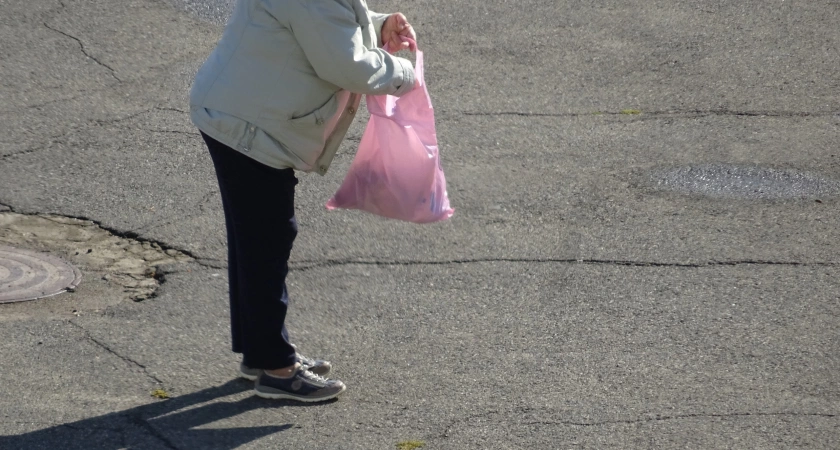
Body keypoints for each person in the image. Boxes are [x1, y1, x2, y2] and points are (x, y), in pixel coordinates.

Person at [189, 0, 418, 403]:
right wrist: (404, 73)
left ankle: (260, 352)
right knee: (267, 240)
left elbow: (332, 21)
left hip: (240, 111)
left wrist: (377, 24)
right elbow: (346, 65)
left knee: (254, 240)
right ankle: (277, 369)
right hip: (249, 126)